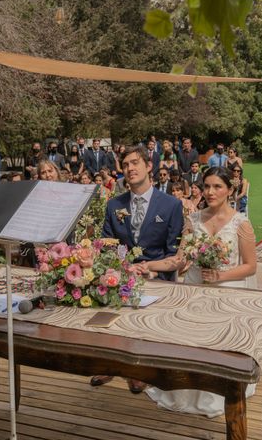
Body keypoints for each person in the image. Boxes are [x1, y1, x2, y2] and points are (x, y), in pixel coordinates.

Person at [137, 167, 257, 416]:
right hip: (194, 287)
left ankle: (219, 388)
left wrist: (220, 276)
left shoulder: (241, 224)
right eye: (206, 186)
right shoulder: (193, 221)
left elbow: (250, 266)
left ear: (230, 190)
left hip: (227, 288)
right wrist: (147, 265)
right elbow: (178, 261)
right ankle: (185, 387)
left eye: (217, 186)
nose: (210, 192)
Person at [90, 145, 183, 393]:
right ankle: (110, 364)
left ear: (149, 166)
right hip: (121, 275)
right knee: (108, 317)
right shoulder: (114, 205)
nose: (130, 168)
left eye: (135, 163)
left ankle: (139, 371)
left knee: (146, 326)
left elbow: (173, 252)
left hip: (158, 278)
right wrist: (120, 268)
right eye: (126, 164)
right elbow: (106, 244)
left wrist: (152, 271)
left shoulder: (171, 205)